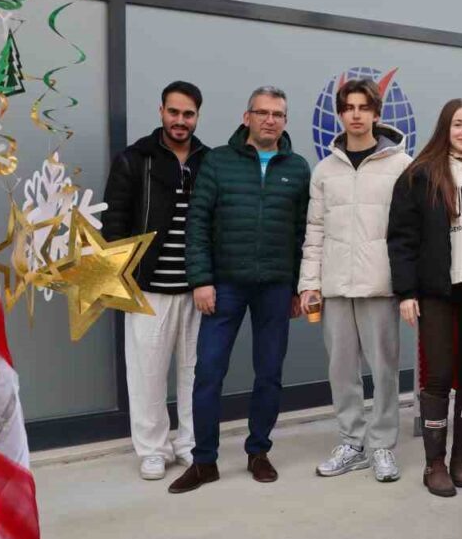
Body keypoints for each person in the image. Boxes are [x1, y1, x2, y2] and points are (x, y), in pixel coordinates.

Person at [169, 86, 311, 493]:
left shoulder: (298, 168)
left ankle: (258, 451)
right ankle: (204, 461)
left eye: (278, 114)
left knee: (269, 373)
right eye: (262, 113)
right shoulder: (218, 161)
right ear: (246, 117)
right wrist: (201, 280)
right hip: (225, 285)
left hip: (276, 287)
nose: (270, 120)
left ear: (285, 121)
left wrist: (298, 287)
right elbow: (197, 224)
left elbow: (303, 233)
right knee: (208, 372)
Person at [388, 99, 462, 498]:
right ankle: (434, 463)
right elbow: (401, 238)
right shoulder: (419, 174)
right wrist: (406, 292)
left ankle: (460, 459)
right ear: (445, 128)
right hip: (435, 288)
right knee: (438, 375)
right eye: (458, 124)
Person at [298, 78, 411, 483]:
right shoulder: (325, 170)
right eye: (349, 108)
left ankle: (381, 445)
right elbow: (315, 229)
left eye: (364, 107)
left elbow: (409, 232)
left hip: (380, 285)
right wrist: (309, 283)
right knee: (341, 371)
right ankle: (351, 442)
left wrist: (407, 286)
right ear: (340, 114)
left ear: (377, 113)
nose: (357, 115)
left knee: (384, 371)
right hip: (335, 288)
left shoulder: (401, 165)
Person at [102, 80, 208, 481]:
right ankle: (152, 449)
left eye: (188, 114)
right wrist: (122, 279)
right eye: (174, 112)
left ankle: (190, 444)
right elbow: (114, 223)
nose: (180, 120)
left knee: (195, 373)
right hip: (147, 290)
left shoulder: (208, 161)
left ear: (197, 117)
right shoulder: (134, 160)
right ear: (161, 111)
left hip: (198, 289)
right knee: (146, 374)